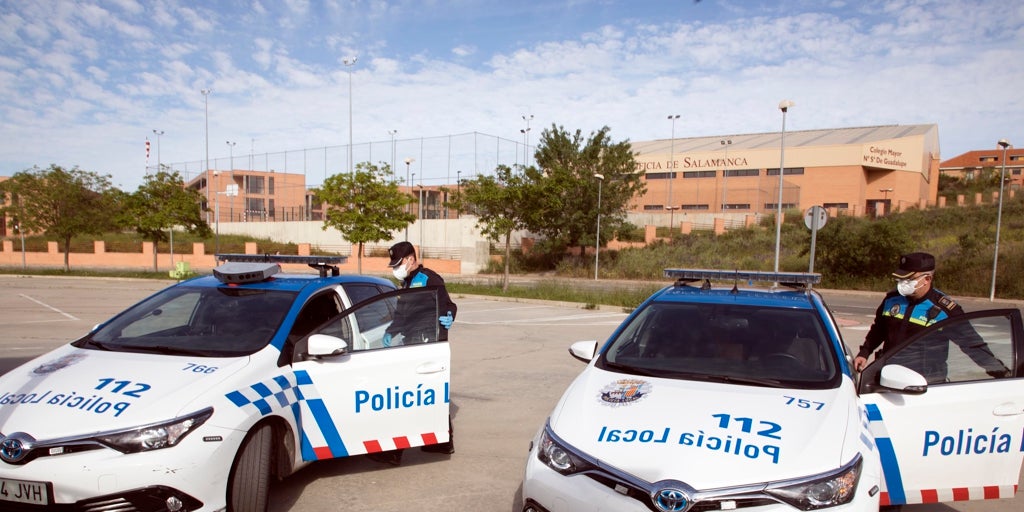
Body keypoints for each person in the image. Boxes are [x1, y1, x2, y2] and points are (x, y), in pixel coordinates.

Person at [853, 252, 1009, 383]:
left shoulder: (944, 310)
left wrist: (1001, 372)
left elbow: (972, 345)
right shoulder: (892, 299)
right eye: (900, 279)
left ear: (927, 279)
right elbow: (879, 329)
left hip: (925, 383)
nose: (902, 284)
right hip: (888, 376)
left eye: (908, 279)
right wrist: (864, 352)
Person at [368, 241, 457, 466]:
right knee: (427, 394)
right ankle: (441, 443)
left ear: (410, 259)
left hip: (426, 342)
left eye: (398, 263)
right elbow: (402, 315)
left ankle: (394, 452)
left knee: (408, 397)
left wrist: (449, 316)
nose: (395, 268)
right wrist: (391, 331)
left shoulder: (429, 279)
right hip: (414, 343)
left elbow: (448, 305)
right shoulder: (406, 283)